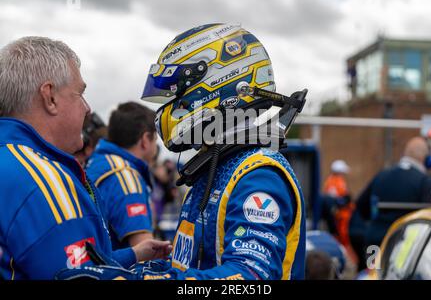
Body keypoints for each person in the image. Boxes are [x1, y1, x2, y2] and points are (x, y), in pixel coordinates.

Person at [57, 23, 307, 280]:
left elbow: (250, 277)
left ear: (221, 83)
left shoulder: (257, 175)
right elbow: (190, 270)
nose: (171, 106)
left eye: (178, 92)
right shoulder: (214, 169)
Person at [0, 37, 171, 279]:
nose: (87, 107)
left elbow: (59, 261)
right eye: (79, 93)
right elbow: (82, 275)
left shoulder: (12, 160)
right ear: (49, 97)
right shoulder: (42, 180)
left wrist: (133, 254)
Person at [86, 102, 157, 249]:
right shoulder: (125, 176)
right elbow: (146, 250)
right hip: (116, 270)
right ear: (145, 140)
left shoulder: (99, 162)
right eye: (155, 139)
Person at [356, 136, 431, 248]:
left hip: (374, 243)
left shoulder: (381, 175)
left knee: (373, 266)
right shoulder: (425, 181)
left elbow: (361, 205)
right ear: (426, 159)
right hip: (406, 246)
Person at [322, 159, 357, 264]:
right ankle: (345, 260)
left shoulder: (334, 181)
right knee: (342, 240)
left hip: (342, 217)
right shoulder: (334, 182)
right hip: (340, 218)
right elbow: (335, 201)